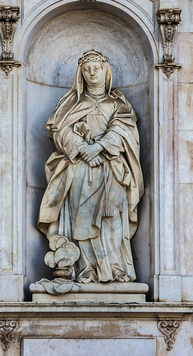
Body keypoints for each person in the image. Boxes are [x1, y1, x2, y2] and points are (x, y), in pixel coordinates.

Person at [38, 50, 144, 283]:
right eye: (87, 69)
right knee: (81, 217)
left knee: (112, 217)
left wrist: (98, 148)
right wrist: (80, 148)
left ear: (105, 71)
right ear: (81, 73)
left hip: (111, 169)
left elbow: (125, 130)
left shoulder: (118, 103)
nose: (92, 72)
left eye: (97, 68)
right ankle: (86, 268)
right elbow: (58, 129)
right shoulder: (70, 103)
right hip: (79, 168)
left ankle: (115, 267)